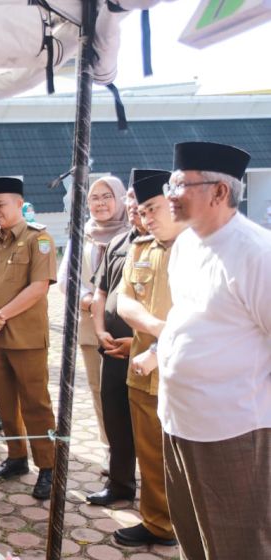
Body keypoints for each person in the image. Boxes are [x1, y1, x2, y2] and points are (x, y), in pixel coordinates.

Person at [158, 141, 270, 558]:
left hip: (233, 430)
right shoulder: (186, 243)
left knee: (238, 545)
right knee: (193, 536)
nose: (170, 195)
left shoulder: (257, 253)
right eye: (170, 184)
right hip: (179, 419)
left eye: (181, 185)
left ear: (219, 192)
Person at [114, 169, 184, 547]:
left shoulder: (199, 248)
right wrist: (159, 329)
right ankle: (158, 523)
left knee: (190, 456)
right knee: (151, 454)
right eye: (142, 211)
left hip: (186, 373)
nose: (147, 217)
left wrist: (167, 341)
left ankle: (191, 525)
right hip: (143, 370)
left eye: (153, 208)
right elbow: (125, 301)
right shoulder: (140, 248)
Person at [0, 177, 57, 500]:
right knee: (5, 402)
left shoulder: (40, 239)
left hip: (25, 337)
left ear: (19, 204)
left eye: (1, 204)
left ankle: (48, 465)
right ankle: (16, 456)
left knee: (36, 403)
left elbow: (39, 287)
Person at [57, 176, 129, 467]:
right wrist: (89, 300)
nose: (100, 203)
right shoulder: (81, 234)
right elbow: (66, 279)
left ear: (121, 199)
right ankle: (110, 446)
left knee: (133, 393)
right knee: (100, 391)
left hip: (129, 327)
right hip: (90, 327)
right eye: (94, 198)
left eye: (107, 196)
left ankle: (138, 447)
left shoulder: (134, 232)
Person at [86, 184, 143, 506]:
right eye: (130, 198)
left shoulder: (171, 246)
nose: (133, 205)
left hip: (148, 353)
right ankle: (120, 484)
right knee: (116, 419)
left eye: (140, 200)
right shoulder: (119, 242)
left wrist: (140, 342)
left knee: (150, 427)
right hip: (111, 348)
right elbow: (101, 291)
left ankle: (160, 500)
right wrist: (99, 329)